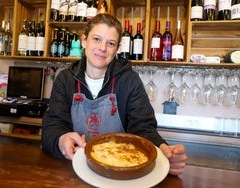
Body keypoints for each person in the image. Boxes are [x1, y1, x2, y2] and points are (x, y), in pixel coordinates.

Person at [41, 13, 187, 176]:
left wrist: (162, 150)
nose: (103, 48)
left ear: (117, 49)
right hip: (74, 169)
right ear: (84, 41)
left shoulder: (129, 80)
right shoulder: (65, 79)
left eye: (110, 43)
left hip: (119, 171)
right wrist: (60, 140)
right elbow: (52, 126)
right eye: (96, 39)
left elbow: (143, 128)